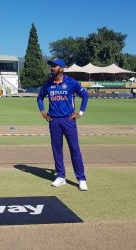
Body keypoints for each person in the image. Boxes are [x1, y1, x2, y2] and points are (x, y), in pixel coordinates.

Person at [37, 58, 89, 191]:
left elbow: (85, 95)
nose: (52, 68)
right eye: (52, 66)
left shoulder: (71, 83)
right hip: (54, 121)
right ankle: (61, 176)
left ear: (62, 68)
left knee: (74, 149)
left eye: (55, 66)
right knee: (57, 150)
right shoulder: (48, 84)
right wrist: (43, 112)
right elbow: (39, 97)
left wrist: (80, 113)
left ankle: (81, 178)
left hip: (69, 120)